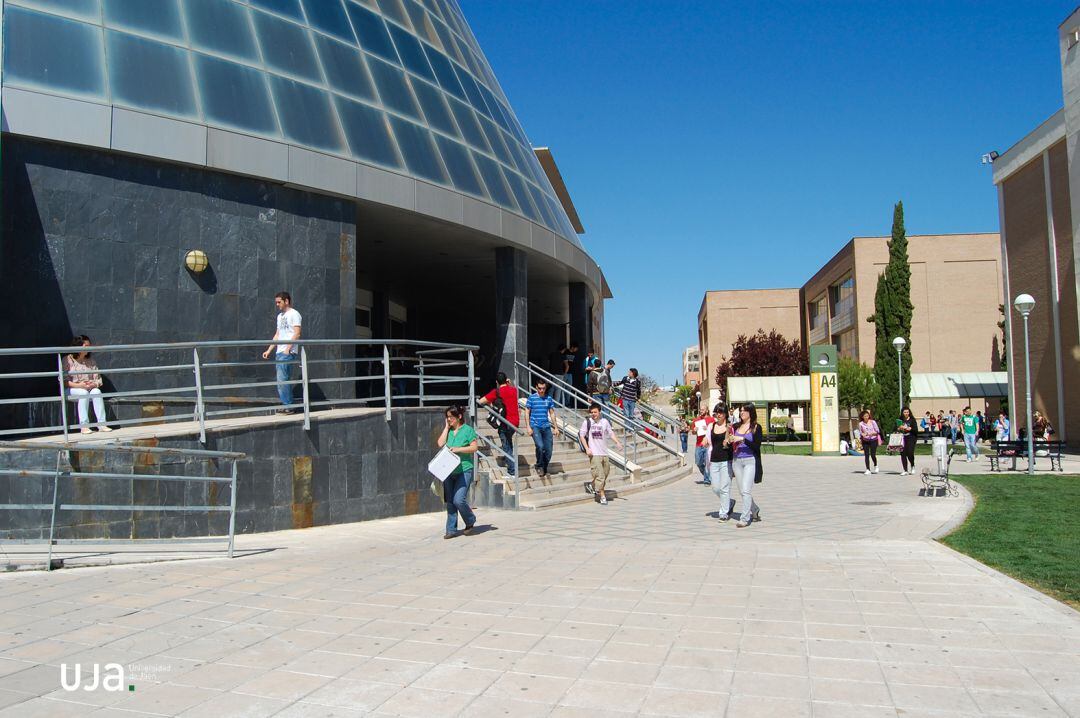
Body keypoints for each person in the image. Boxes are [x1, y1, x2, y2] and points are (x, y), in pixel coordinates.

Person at [436, 405, 478, 539]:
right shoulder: (448, 431)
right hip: (449, 470)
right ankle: (451, 530)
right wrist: (446, 428)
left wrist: (459, 449)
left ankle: (470, 520)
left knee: (458, 500)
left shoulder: (468, 430)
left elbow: (474, 447)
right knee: (450, 502)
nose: (449, 420)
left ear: (459, 417)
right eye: (447, 417)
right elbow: (440, 443)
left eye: (451, 417)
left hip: (464, 469)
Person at [262, 291, 302, 414]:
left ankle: (288, 406)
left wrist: (288, 348)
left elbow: (297, 333)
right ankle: (287, 405)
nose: (277, 304)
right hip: (280, 351)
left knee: (282, 379)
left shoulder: (294, 314)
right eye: (276, 302)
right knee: (283, 379)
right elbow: (278, 334)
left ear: (287, 301)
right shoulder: (280, 316)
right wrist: (269, 350)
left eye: (279, 302)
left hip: (287, 352)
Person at [65, 336, 112, 434]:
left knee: (97, 391)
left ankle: (102, 424)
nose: (89, 348)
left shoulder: (91, 361)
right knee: (83, 393)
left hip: (88, 388)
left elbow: (99, 380)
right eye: (86, 345)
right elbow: (64, 382)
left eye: (89, 346)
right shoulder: (67, 360)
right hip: (73, 389)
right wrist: (80, 385)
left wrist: (93, 384)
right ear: (78, 346)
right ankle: (84, 426)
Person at [579, 403, 623, 505]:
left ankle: (592, 484)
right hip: (594, 453)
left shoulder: (604, 422)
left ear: (600, 412)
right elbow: (581, 436)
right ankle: (602, 495)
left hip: (604, 452)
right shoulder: (587, 422)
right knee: (601, 476)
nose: (593, 414)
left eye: (595, 412)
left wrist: (617, 442)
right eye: (592, 412)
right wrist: (587, 448)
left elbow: (610, 433)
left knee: (606, 473)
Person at [728, 404, 763, 528]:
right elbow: (729, 441)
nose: (741, 413)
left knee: (746, 490)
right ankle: (754, 509)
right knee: (742, 491)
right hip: (737, 460)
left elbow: (757, 446)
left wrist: (742, 440)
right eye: (741, 411)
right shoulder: (736, 426)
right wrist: (730, 440)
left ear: (750, 412)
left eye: (744, 411)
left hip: (750, 461)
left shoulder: (756, 427)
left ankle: (744, 518)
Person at [478, 372, 519, 476]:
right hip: (515, 423)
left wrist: (491, 404)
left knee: (506, 446)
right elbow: (509, 392)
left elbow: (481, 401)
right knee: (508, 443)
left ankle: (512, 471)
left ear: (496, 382)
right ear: (506, 380)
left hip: (505, 423)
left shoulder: (496, 392)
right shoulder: (514, 390)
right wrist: (509, 384)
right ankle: (511, 463)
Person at [523, 379, 559, 478]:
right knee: (540, 446)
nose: (541, 390)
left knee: (549, 449)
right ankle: (539, 465)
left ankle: (544, 466)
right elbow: (527, 412)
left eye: (543, 388)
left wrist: (556, 427)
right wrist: (528, 427)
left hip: (546, 426)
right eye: (539, 388)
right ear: (536, 387)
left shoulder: (549, 398)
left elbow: (551, 413)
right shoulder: (532, 398)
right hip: (535, 426)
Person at [704, 406, 733, 521]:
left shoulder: (729, 427)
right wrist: (705, 441)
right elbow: (707, 438)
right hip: (714, 460)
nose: (718, 414)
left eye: (721, 412)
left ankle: (724, 512)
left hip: (726, 460)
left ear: (725, 414)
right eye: (717, 412)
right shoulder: (712, 426)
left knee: (724, 488)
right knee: (715, 488)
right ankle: (729, 502)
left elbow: (732, 442)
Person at [692, 408, 715, 483]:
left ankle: (707, 479)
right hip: (699, 444)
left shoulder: (712, 420)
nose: (701, 411)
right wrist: (694, 430)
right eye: (700, 410)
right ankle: (707, 475)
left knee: (707, 462)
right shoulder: (696, 420)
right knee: (698, 462)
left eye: (702, 410)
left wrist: (708, 428)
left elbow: (715, 431)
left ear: (707, 410)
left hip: (708, 444)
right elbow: (693, 432)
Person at [897, 406, 918, 475]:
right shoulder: (900, 420)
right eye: (904, 412)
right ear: (902, 413)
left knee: (910, 453)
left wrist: (910, 428)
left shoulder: (912, 420)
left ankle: (912, 465)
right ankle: (905, 470)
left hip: (911, 437)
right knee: (903, 453)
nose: (906, 413)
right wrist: (899, 428)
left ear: (909, 413)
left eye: (907, 412)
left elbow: (916, 430)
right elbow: (895, 428)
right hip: (902, 438)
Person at [858, 409, 881, 474]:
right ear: (862, 417)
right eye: (865, 416)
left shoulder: (873, 422)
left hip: (873, 439)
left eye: (867, 416)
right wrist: (863, 434)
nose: (866, 417)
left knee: (873, 455)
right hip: (865, 440)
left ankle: (876, 465)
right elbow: (860, 432)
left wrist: (871, 434)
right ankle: (868, 469)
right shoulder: (861, 424)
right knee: (866, 455)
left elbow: (877, 431)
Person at [564, 343, 578, 407]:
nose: (576, 350)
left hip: (571, 373)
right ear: (572, 347)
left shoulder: (575, 354)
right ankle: (562, 403)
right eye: (576, 348)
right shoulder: (566, 352)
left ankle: (567, 403)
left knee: (569, 389)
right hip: (564, 372)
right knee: (563, 388)